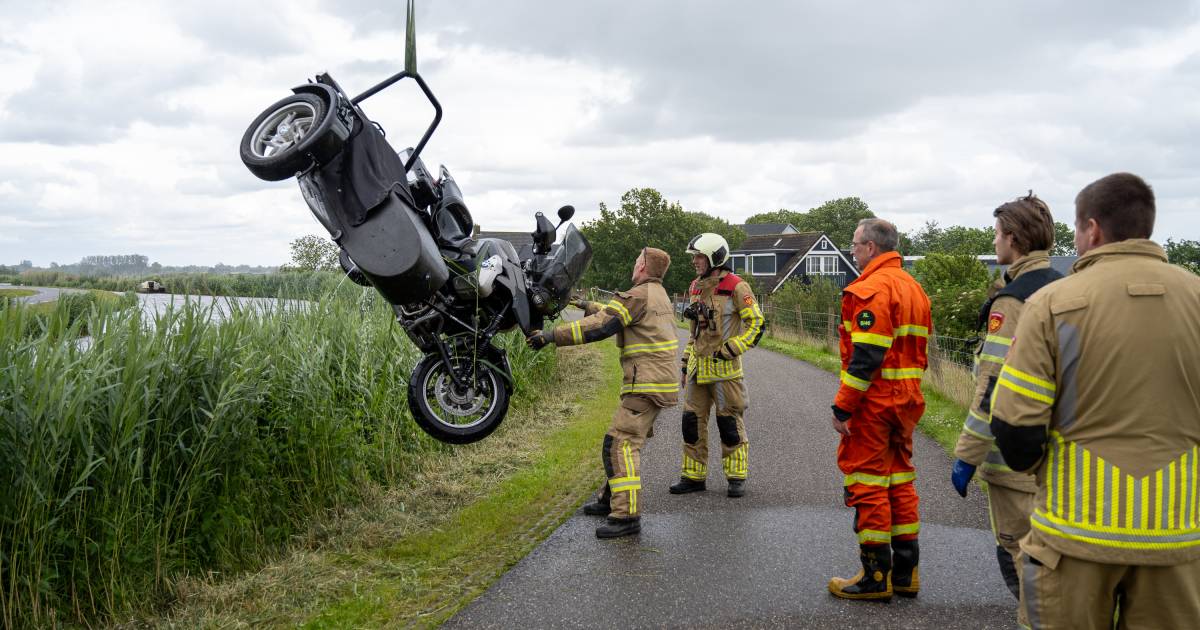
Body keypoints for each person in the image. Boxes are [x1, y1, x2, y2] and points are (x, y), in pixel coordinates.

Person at [992, 173, 1200, 628]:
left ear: (1091, 229)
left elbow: (1015, 425)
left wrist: (1039, 473)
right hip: (1179, 535)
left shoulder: (1053, 303)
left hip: (1075, 533)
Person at [950, 193, 1062, 606]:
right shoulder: (1062, 289)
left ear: (1012, 238)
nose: (994, 242)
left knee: (1020, 554)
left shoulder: (1013, 301)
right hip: (1055, 451)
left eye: (996, 234)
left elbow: (992, 387)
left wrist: (967, 454)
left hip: (1012, 454)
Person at [527, 248, 679, 538]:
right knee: (623, 441)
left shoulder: (637, 294)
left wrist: (550, 336)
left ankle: (626, 516)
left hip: (645, 384)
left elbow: (603, 326)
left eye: (637, 262)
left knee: (619, 444)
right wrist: (586, 303)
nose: (633, 267)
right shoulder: (657, 295)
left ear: (644, 267)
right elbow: (617, 315)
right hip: (658, 383)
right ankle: (609, 500)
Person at [828, 218, 932, 601]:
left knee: (868, 482)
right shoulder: (914, 289)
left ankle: (875, 577)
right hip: (907, 400)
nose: (852, 252)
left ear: (871, 247)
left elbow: (866, 356)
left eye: (854, 245)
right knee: (900, 480)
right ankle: (906, 574)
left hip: (875, 402)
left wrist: (842, 407)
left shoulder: (870, 289)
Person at [671, 233, 765, 498]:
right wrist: (684, 363)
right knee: (691, 423)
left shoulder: (737, 286)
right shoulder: (695, 287)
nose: (695, 262)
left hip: (725, 372)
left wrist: (733, 348)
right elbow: (695, 332)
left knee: (729, 424)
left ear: (714, 257)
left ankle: (736, 478)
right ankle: (693, 477)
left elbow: (757, 323)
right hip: (697, 371)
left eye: (699, 257)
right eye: (695, 257)